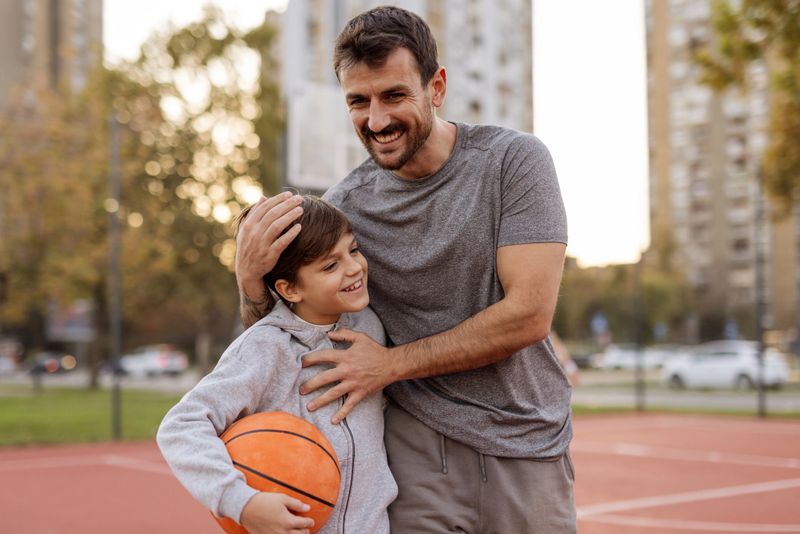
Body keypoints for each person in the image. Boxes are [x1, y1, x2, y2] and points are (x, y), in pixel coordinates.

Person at [235, 6, 575, 533]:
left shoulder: (515, 162)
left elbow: (529, 315)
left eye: (394, 96)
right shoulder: (345, 208)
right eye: (358, 102)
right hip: (415, 452)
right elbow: (292, 336)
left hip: (526, 442)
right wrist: (250, 281)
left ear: (436, 88)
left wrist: (390, 365)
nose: (376, 120)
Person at [157, 196, 397, 534]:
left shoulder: (369, 323)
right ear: (290, 289)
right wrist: (241, 502)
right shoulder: (266, 346)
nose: (354, 267)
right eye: (331, 266)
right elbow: (181, 426)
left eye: (353, 250)